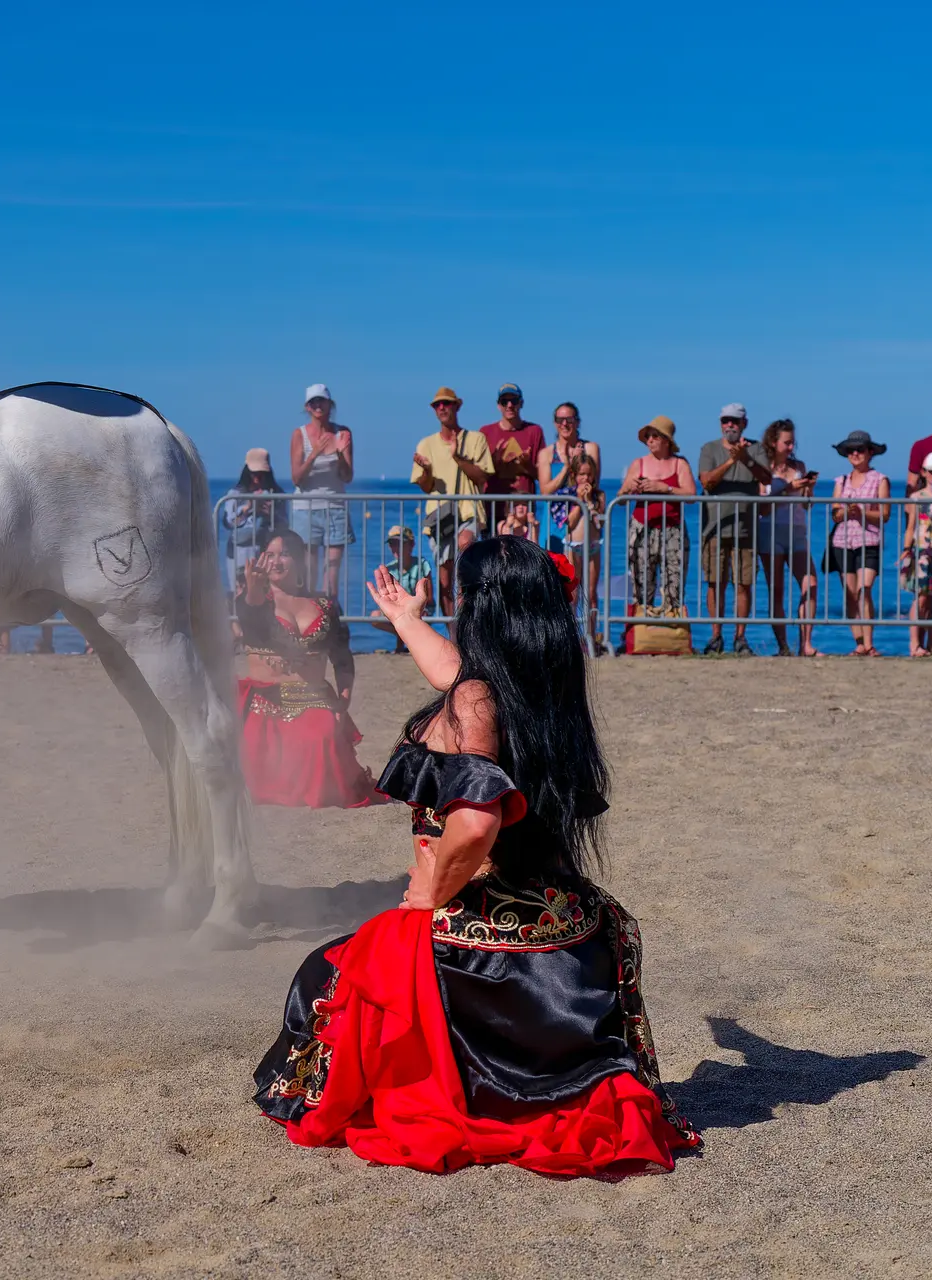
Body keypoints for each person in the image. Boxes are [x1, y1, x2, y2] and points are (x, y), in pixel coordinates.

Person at [253, 537, 700, 1175]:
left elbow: (476, 817)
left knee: (326, 974)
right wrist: (408, 620)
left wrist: (431, 890)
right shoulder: (539, 677)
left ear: (481, 607)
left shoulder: (475, 702)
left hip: (485, 924)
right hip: (564, 918)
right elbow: (454, 674)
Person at [231, 530, 378, 808]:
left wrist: (342, 701)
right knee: (254, 754)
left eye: (285, 553)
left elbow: (342, 656)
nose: (276, 561)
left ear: (300, 560)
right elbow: (252, 620)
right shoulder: (253, 601)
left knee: (322, 739)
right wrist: (253, 589)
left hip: (314, 697)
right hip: (264, 702)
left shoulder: (324, 605)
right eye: (270, 554)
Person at [695, 404, 772, 656]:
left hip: (746, 529)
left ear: (744, 424)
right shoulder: (709, 449)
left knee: (743, 583)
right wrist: (731, 460)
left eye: (735, 422)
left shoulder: (757, 449)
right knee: (715, 583)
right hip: (715, 528)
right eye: (726, 421)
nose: (730, 426)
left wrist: (746, 458)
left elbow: (766, 478)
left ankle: (741, 637)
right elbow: (706, 480)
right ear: (720, 423)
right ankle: (716, 636)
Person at [411, 387, 494, 616]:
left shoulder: (476, 439)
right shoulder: (425, 444)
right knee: (445, 580)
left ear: (457, 406)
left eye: (446, 403)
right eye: (438, 405)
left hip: (469, 512)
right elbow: (426, 487)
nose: (442, 408)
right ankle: (454, 635)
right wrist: (426, 471)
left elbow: (482, 478)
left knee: (465, 550)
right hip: (441, 517)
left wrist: (458, 457)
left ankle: (470, 625)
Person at [754, 419, 819, 657]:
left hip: (797, 530)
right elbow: (762, 508)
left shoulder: (798, 465)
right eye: (787, 442)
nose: (791, 447)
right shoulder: (763, 470)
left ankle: (806, 643)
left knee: (810, 583)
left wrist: (807, 489)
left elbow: (805, 504)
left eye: (793, 442)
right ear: (773, 442)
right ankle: (783, 646)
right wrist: (788, 487)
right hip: (770, 531)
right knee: (777, 590)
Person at [619, 416, 694, 618]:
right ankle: (640, 634)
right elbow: (620, 497)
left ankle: (671, 633)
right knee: (641, 582)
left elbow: (691, 495)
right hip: (642, 528)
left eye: (655, 436)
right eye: (648, 436)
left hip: (672, 529)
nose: (650, 440)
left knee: (674, 582)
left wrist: (665, 489)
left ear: (666, 440)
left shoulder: (680, 464)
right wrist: (630, 488)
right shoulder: (638, 464)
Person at [828, 430, 891, 657]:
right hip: (842, 541)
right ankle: (859, 644)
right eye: (850, 450)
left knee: (865, 590)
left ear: (870, 452)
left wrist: (862, 511)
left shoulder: (880, 480)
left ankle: (869, 643)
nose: (855, 454)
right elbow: (835, 514)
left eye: (860, 449)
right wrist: (845, 511)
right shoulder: (840, 481)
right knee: (850, 593)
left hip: (869, 540)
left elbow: (884, 514)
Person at [287, 384, 354, 596]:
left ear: (329, 404)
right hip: (305, 510)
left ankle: (330, 623)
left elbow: (348, 476)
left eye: (321, 400)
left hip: (335, 507)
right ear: (307, 407)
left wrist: (342, 455)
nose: (318, 405)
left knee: (331, 575)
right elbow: (297, 478)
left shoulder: (342, 433)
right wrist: (314, 453)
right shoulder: (299, 435)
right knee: (309, 573)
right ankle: (308, 625)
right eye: (313, 402)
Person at [900, 452, 932, 657]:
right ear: (924, 473)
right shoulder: (916, 497)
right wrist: (906, 549)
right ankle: (915, 643)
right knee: (921, 598)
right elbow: (911, 526)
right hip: (922, 551)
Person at [480, 383, 546, 540]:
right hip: (493, 508)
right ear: (498, 405)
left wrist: (526, 465)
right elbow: (480, 476)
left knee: (524, 560)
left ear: (521, 403)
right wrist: (495, 464)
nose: (509, 405)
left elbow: (542, 476)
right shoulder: (485, 433)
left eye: (514, 401)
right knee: (493, 559)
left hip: (523, 511)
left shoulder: (534, 431)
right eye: (504, 401)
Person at [559, 453, 607, 652]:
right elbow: (568, 523)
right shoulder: (567, 495)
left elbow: (599, 522)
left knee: (591, 593)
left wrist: (590, 502)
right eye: (581, 475)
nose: (585, 479)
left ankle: (591, 637)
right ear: (574, 475)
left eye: (589, 475)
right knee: (573, 593)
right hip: (573, 546)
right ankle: (571, 638)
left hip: (593, 545)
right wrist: (579, 501)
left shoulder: (600, 496)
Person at [223, 447, 285, 575]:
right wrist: (248, 508)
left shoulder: (276, 494)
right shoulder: (235, 494)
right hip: (241, 549)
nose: (258, 478)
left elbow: (286, 523)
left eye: (262, 474)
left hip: (266, 548)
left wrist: (271, 514)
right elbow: (228, 522)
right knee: (240, 586)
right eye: (254, 474)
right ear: (247, 472)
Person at [370, 524, 432, 652]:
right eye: (392, 543)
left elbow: (429, 597)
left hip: (421, 607)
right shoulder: (389, 568)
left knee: (415, 614)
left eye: (400, 543)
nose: (396, 548)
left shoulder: (422, 564)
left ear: (411, 545)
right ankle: (405, 640)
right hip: (400, 608)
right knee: (374, 617)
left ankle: (402, 645)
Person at [537, 401, 600, 508]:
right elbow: (545, 492)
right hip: (554, 518)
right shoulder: (546, 454)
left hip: (581, 514)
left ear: (577, 422)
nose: (564, 424)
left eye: (569, 420)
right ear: (555, 423)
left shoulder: (590, 448)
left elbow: (593, 484)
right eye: (559, 420)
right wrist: (568, 466)